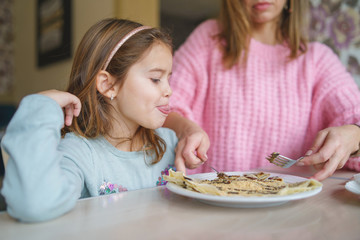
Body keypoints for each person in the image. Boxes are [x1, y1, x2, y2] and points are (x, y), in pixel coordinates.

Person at [1, 18, 176, 222]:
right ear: (108, 85)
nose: (169, 90)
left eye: (169, 79)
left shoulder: (170, 143)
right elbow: (34, 205)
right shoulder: (80, 153)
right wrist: (40, 107)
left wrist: (188, 130)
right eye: (156, 79)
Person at [163, 0, 360, 180]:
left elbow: (354, 116)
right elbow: (165, 104)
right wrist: (187, 129)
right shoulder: (208, 38)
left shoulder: (317, 60)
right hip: (211, 202)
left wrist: (354, 135)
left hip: (288, 209)